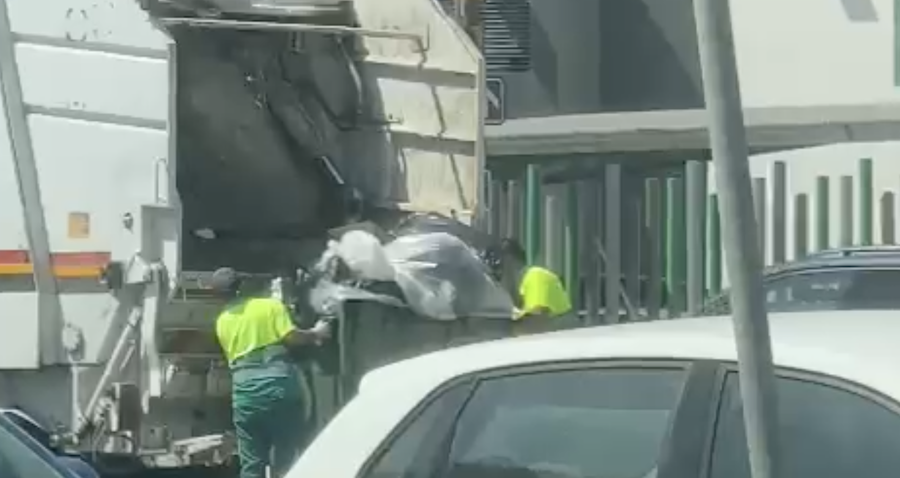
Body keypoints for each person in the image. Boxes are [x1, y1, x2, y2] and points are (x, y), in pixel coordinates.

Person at [210, 267, 331, 478]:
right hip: (278, 390)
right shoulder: (269, 306)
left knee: (251, 464)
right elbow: (292, 337)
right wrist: (317, 333)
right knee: (286, 458)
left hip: (245, 398)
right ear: (242, 287)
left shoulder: (222, 322)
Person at [499, 238, 573, 331]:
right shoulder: (523, 290)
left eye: (499, 274)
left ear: (508, 262)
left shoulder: (535, 276)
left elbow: (537, 322)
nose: (500, 284)